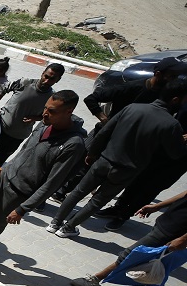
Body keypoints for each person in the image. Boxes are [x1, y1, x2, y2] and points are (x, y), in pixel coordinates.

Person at [48, 83, 186, 239]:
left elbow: (105, 131)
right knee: (97, 201)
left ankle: (54, 223)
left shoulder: (132, 108)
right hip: (125, 171)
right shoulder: (171, 125)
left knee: (78, 192)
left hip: (104, 159)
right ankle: (67, 228)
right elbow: (175, 154)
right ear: (175, 99)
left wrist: (92, 153)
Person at [0, 91, 87, 257]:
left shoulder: (73, 145)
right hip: (4, 175)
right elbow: (25, 149)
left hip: (18, 192)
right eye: (45, 108)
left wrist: (23, 209)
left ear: (69, 112)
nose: (45, 113)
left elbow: (52, 183)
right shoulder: (44, 124)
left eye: (52, 111)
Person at [86, 57, 187, 230]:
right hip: (159, 147)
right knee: (137, 179)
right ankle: (117, 208)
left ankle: (123, 215)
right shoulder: (179, 93)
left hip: (179, 156)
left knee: (152, 186)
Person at [71, 188, 187, 286]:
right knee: (163, 259)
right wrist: (158, 206)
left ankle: (96, 278)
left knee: (130, 254)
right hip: (170, 221)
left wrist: (183, 239)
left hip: (175, 230)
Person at [0, 63, 65, 165]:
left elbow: (49, 116)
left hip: (17, 137)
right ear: (42, 73)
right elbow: (3, 88)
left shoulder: (52, 98)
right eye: (46, 76)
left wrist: (35, 118)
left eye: (52, 79)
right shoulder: (25, 83)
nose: (47, 81)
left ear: (58, 80)